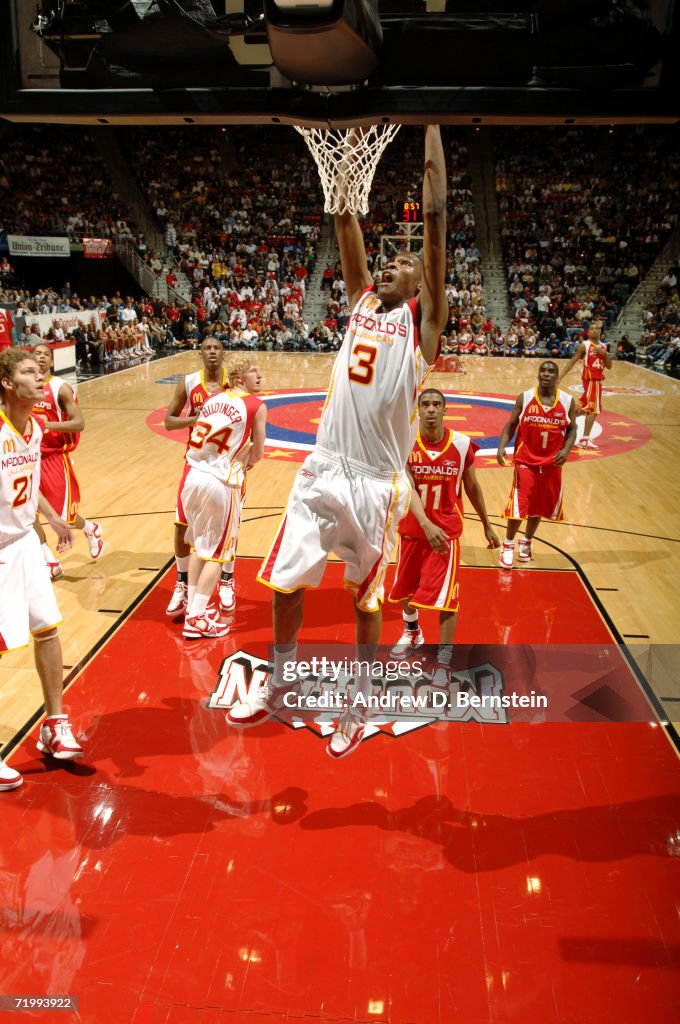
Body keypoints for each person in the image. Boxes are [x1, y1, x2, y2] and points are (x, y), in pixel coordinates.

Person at [228, 125, 448, 759]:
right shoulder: (359, 306)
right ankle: (284, 675)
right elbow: (347, 222)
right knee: (288, 582)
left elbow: (433, 224)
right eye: (387, 258)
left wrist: (430, 125)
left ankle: (357, 699)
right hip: (323, 469)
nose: (389, 263)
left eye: (402, 264)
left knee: (364, 597)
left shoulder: (422, 326)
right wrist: (344, 163)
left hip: (375, 484)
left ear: (420, 287)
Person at [0, 350, 84, 791]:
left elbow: (29, 486)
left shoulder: (33, 427)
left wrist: (51, 517)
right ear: (8, 383)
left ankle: (54, 725)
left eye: (41, 370)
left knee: (48, 630)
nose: (41, 376)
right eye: (29, 372)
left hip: (24, 544)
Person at [389, 389, 499, 686]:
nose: (431, 410)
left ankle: (444, 658)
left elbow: (473, 488)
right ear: (418, 410)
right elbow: (407, 488)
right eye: (425, 404)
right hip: (414, 530)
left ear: (445, 410)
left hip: (446, 536)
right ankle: (412, 631)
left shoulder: (462, 445)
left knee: (447, 600)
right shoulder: (405, 442)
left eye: (437, 405)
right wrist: (423, 523)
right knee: (407, 592)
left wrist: (487, 525)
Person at [182, 363, 266, 639]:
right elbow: (258, 454)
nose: (260, 375)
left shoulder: (212, 399)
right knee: (218, 554)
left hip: (192, 475)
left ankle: (193, 608)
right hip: (219, 482)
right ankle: (196, 616)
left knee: (199, 546)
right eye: (254, 371)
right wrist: (245, 464)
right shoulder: (256, 406)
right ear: (239, 377)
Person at [164, 337, 228, 618]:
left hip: (227, 464)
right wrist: (195, 418)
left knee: (228, 527)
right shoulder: (189, 383)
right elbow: (168, 421)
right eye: (207, 348)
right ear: (201, 353)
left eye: (216, 348)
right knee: (181, 525)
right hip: (196, 463)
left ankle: (227, 578)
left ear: (223, 352)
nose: (212, 352)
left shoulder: (233, 382)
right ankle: (182, 582)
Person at [31, 344, 104, 579]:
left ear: (51, 362)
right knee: (28, 511)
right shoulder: (25, 388)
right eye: (37, 353)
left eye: (46, 354)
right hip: (29, 457)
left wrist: (47, 425)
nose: (41, 357)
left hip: (54, 457)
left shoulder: (59, 388)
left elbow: (79, 423)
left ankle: (91, 529)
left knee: (63, 518)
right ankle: (50, 561)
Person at [497, 360, 577, 569]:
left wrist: (566, 450)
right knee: (519, 503)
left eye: (551, 371)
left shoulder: (568, 401)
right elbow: (511, 424)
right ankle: (507, 545)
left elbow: (572, 429)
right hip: (525, 460)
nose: (547, 374)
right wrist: (501, 446)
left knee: (538, 506)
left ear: (557, 376)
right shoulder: (526, 397)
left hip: (552, 462)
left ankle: (526, 542)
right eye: (543, 370)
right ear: (538, 374)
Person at [557, 320, 612, 450]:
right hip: (590, 379)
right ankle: (584, 440)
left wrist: (604, 355)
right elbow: (572, 362)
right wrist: (560, 377)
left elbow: (609, 366)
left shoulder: (604, 346)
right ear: (588, 331)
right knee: (594, 410)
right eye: (592, 329)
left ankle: (563, 420)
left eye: (597, 329)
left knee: (587, 408)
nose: (595, 331)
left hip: (598, 380)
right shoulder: (585, 345)